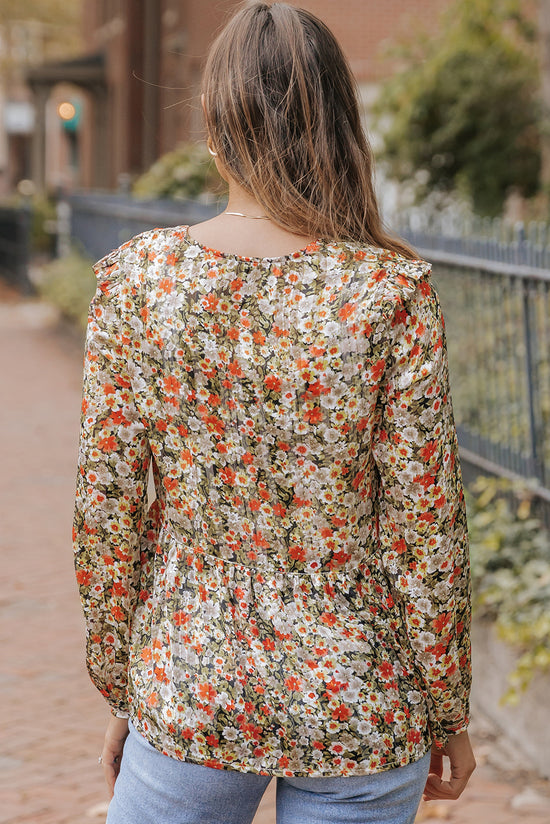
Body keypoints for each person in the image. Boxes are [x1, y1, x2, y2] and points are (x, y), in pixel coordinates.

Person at [73, 3, 475, 822]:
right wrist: (447, 708)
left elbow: (105, 512)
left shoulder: (140, 283)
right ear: (338, 125)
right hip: (361, 693)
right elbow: (423, 526)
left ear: (216, 126)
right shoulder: (388, 291)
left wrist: (128, 685)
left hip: (192, 683)